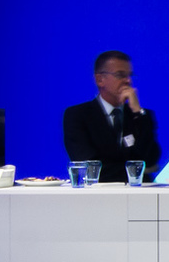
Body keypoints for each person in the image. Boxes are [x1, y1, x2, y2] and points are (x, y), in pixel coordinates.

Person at [63, 50, 160, 182]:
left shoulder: (142, 116)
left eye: (130, 75)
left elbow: (151, 160)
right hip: (99, 192)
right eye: (120, 75)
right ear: (100, 79)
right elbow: (90, 168)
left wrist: (138, 113)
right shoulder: (78, 115)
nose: (128, 81)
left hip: (139, 192)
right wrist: (137, 170)